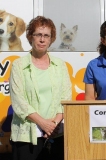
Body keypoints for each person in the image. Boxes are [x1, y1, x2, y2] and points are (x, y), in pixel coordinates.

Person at [9, 16, 72, 160]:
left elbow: (66, 98)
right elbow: (19, 102)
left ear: (51, 39)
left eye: (46, 36)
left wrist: (54, 124)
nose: (42, 39)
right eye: (38, 35)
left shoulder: (60, 65)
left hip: (56, 134)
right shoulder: (18, 66)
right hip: (26, 137)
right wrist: (44, 124)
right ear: (31, 37)